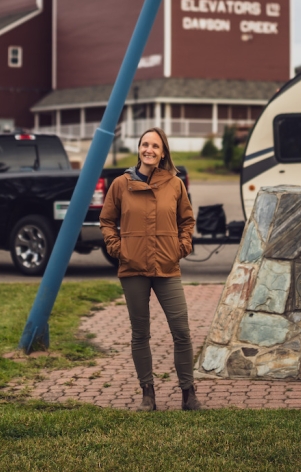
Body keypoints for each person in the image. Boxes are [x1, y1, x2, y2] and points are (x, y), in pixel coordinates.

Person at [100, 126, 203, 411]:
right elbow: (107, 221)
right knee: (140, 333)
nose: (149, 150)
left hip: (167, 267)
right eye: (145, 144)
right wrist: (118, 249)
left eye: (155, 146)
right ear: (139, 149)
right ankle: (148, 394)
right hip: (132, 269)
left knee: (181, 331)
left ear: (163, 153)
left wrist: (180, 247)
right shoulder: (121, 184)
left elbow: (187, 221)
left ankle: (188, 393)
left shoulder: (174, 184)